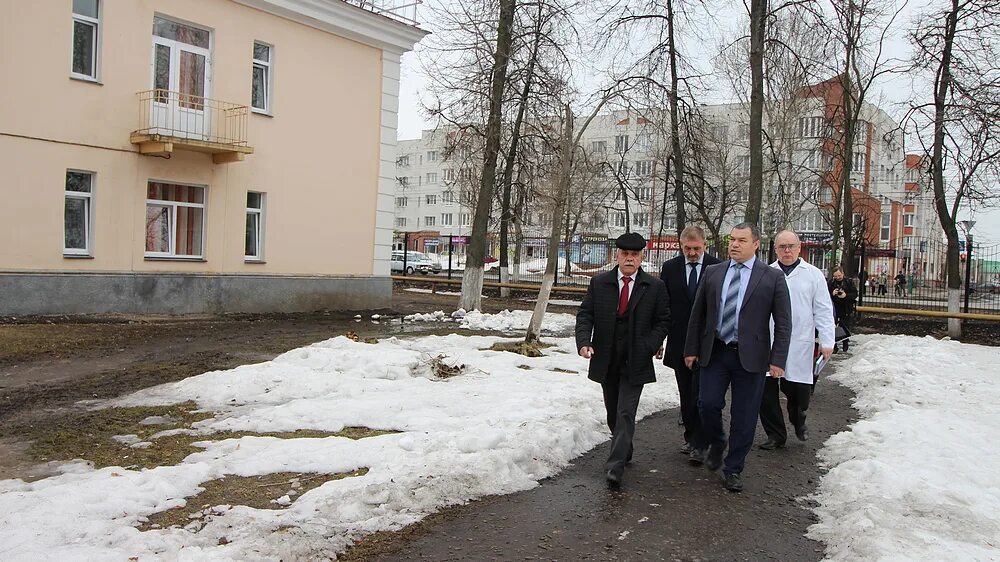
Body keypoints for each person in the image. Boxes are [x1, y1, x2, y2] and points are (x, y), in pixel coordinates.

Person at [684, 223, 792, 492]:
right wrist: (691, 349)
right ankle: (717, 440)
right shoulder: (713, 272)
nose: (734, 244)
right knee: (706, 404)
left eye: (741, 240)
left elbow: (783, 322)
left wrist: (778, 359)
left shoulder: (771, 277)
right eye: (732, 239)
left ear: (756, 244)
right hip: (717, 351)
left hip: (752, 357)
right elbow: (698, 314)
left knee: (744, 416)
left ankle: (733, 468)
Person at [576, 232, 670, 488]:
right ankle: (624, 447)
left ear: (641, 258)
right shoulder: (600, 283)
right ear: (617, 256)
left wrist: (649, 345)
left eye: (635, 255)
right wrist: (584, 342)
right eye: (625, 254)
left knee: (626, 412)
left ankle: (614, 466)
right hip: (607, 359)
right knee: (613, 413)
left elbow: (663, 320)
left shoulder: (654, 287)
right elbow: (585, 315)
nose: (630, 259)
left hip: (636, 359)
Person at [758, 231, 835, 451]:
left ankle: (798, 418)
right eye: (782, 246)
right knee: (765, 391)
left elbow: (823, 309)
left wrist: (827, 340)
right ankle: (775, 435)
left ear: (800, 248)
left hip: (800, 341)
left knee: (798, 391)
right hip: (769, 341)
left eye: (791, 246)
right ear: (775, 249)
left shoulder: (813, 275)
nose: (787, 251)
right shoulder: (766, 273)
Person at [656, 225, 721, 464]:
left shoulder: (717, 267)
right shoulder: (671, 268)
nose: (692, 253)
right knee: (686, 393)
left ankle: (702, 441)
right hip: (680, 342)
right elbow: (663, 305)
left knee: (703, 395)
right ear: (680, 246)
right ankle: (691, 438)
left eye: (696, 248)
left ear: (705, 244)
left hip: (709, 343)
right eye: (687, 248)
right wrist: (659, 339)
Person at [829, 267, 857, 352]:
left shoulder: (849, 282)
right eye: (835, 276)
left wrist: (845, 295)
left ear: (843, 273)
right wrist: (832, 293)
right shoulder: (830, 283)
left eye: (839, 275)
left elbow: (855, 294)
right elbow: (824, 295)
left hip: (845, 307)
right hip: (834, 307)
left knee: (845, 325)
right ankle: (834, 345)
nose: (837, 277)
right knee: (832, 326)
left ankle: (845, 342)